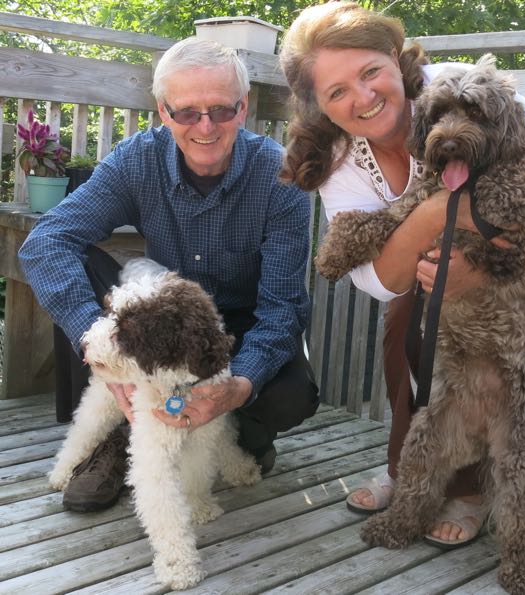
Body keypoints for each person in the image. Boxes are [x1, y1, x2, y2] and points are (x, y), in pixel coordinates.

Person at [279, 2, 525, 548]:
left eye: (370, 72)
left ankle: (469, 491)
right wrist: (433, 213)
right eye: (337, 91)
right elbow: (381, 282)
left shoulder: (464, 93)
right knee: (404, 320)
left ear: (395, 57)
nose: (362, 96)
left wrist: (473, 272)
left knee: (486, 336)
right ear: (319, 105)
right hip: (448, 207)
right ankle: (409, 473)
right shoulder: (341, 158)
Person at [19, 37, 319, 512]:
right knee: (76, 270)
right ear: (163, 111)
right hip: (161, 322)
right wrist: (98, 341)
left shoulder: (280, 177)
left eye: (221, 110)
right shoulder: (136, 160)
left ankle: (241, 436)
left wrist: (238, 386)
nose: (206, 126)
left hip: (240, 327)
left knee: (291, 396)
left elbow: (283, 309)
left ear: (242, 108)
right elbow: (46, 242)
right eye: (187, 112)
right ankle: (117, 436)